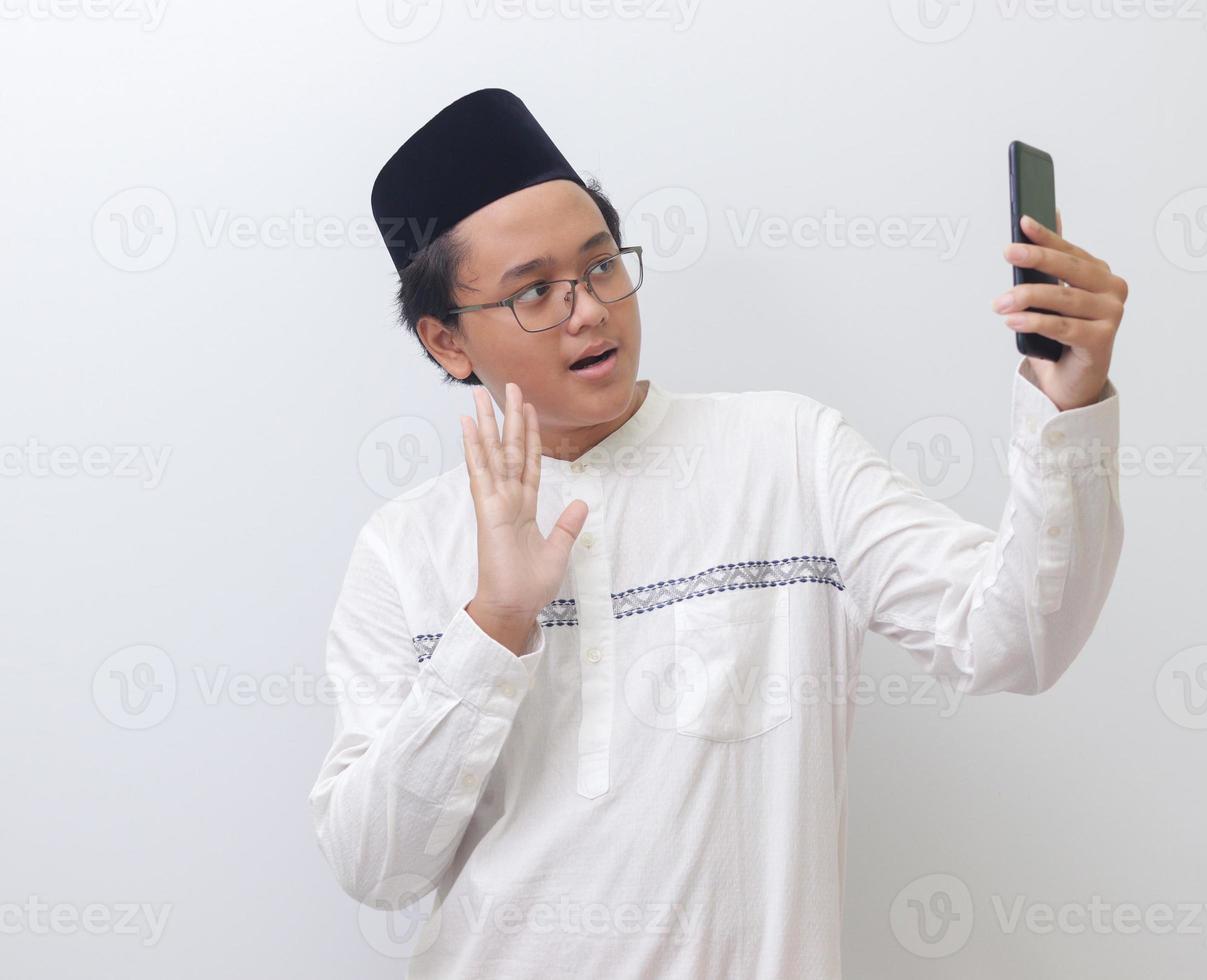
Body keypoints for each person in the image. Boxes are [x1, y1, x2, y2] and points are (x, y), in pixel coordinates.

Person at [308, 87, 1128, 978]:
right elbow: (376, 866)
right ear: (447, 343)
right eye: (534, 292)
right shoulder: (403, 550)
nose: (587, 309)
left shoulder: (785, 456)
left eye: (599, 267)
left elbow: (1014, 639)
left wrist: (1067, 399)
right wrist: (494, 623)